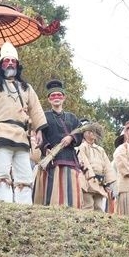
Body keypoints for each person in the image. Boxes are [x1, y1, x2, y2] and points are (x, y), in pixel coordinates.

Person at [0, 41, 47, 204]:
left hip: (22, 135)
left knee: (24, 176)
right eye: (6, 61)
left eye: (12, 61)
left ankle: (24, 207)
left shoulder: (26, 88)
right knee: (1, 173)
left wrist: (39, 130)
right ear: (1, 64)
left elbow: (36, 109)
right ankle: (3, 205)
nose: (10, 64)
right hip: (1, 132)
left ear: (17, 65)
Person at [32, 79, 82, 208]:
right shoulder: (44, 116)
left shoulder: (72, 117)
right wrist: (46, 148)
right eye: (53, 96)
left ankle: (71, 210)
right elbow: (40, 135)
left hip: (69, 158)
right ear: (49, 99)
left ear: (64, 97)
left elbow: (80, 132)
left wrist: (71, 137)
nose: (56, 98)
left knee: (70, 192)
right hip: (52, 159)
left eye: (59, 95)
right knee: (52, 191)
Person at [76, 121, 115, 212]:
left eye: (93, 132)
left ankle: (98, 225)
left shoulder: (100, 149)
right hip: (87, 180)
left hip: (100, 182)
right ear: (84, 133)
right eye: (89, 131)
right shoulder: (81, 147)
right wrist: (91, 176)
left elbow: (107, 166)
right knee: (88, 205)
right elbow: (83, 162)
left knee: (99, 207)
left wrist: (107, 183)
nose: (92, 134)